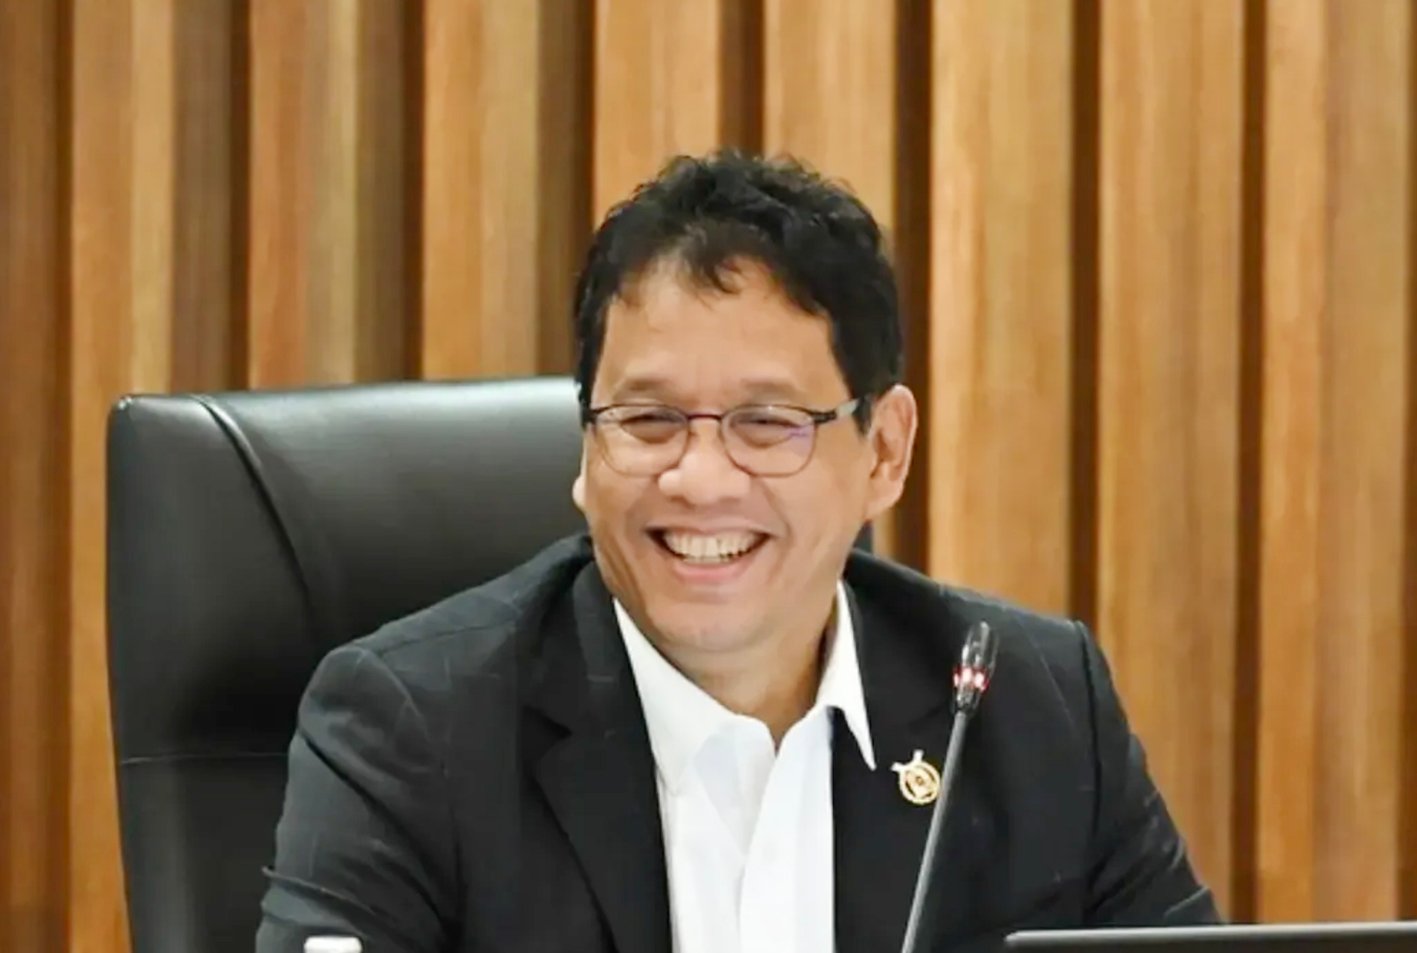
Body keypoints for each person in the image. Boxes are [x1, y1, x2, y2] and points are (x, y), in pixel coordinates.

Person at [256, 150, 1217, 953]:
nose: (700, 477)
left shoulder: (1033, 707)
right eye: (648, 420)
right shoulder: (414, 730)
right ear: (586, 447)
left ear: (884, 451)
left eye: (767, 422)